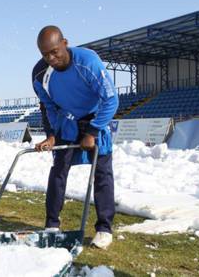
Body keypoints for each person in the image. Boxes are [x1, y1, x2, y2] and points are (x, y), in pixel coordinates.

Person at [32, 26, 118, 250]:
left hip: (95, 120)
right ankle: (51, 224)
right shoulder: (40, 74)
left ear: (65, 43)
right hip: (67, 122)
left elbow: (111, 100)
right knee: (58, 171)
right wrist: (51, 135)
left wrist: (92, 131)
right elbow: (48, 106)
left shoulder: (88, 61)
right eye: (44, 54)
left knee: (102, 174)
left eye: (54, 51)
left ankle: (104, 229)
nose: (51, 58)